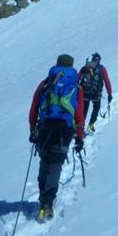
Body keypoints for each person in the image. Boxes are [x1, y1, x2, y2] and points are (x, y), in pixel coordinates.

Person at [29, 54, 85, 221]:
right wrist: (79, 137)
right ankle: (48, 202)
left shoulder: (46, 83)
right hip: (65, 131)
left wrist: (33, 129)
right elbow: (79, 115)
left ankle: (42, 198)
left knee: (45, 161)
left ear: (57, 64)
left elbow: (34, 108)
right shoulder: (76, 86)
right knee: (56, 165)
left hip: (45, 128)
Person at [78, 52, 113, 133]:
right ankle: (91, 126)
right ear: (99, 60)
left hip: (84, 93)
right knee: (96, 109)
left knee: (83, 110)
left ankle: (80, 127)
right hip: (96, 94)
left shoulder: (85, 67)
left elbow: (77, 78)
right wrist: (109, 93)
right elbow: (107, 81)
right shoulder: (102, 68)